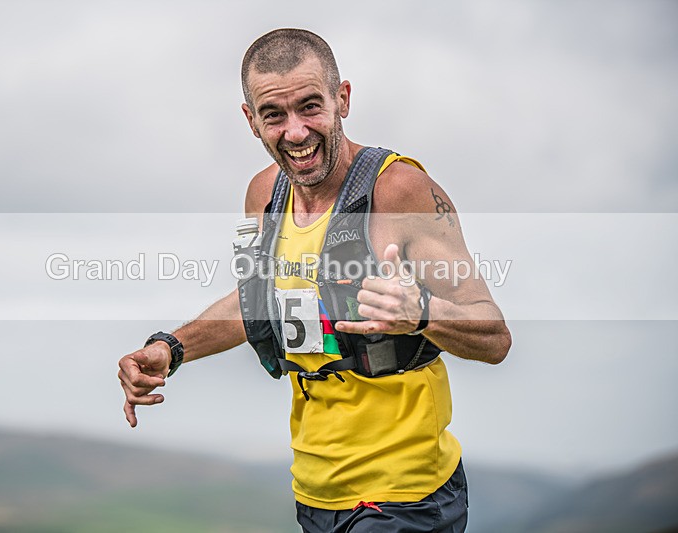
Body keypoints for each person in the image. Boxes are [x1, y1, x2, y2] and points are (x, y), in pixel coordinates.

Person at [118, 28, 511, 533]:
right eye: (274, 114)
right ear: (250, 120)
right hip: (315, 492)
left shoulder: (399, 189)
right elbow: (256, 303)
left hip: (406, 496)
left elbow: (494, 335)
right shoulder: (263, 194)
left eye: (310, 107)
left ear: (342, 98)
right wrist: (169, 348)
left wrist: (421, 312)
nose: (296, 132)